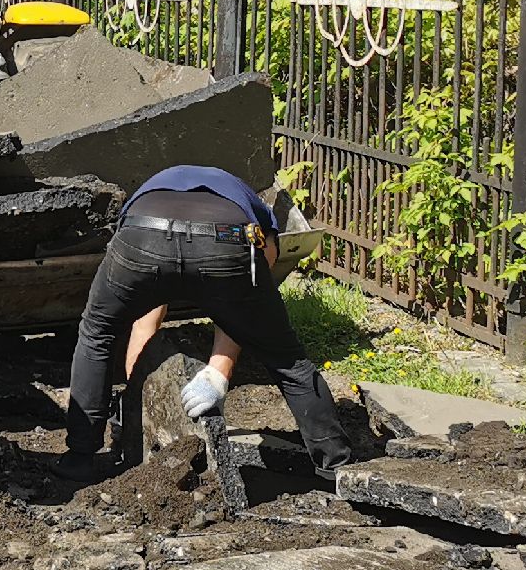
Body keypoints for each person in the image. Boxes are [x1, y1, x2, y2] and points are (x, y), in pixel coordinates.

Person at [58, 164, 351, 482]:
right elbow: (249, 297)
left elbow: (144, 319)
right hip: (225, 240)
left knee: (97, 333)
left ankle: (79, 458)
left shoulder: (154, 186)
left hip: (142, 236)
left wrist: (212, 372)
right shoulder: (250, 203)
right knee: (288, 361)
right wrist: (208, 375)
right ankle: (335, 468)